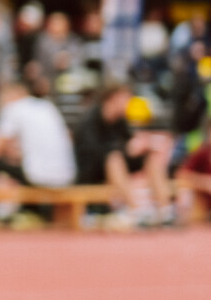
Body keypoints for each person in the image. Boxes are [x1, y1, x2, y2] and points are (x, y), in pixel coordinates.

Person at [73, 82, 174, 228]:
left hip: (116, 166)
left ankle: (166, 211)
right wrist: (124, 149)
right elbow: (93, 157)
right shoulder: (89, 122)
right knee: (114, 159)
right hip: (93, 173)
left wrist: (140, 147)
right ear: (112, 98)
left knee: (151, 157)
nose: (128, 102)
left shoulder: (120, 120)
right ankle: (136, 210)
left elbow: (128, 145)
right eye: (125, 97)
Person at [0, 80, 76, 225]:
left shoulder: (15, 108)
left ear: (13, 93)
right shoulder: (47, 106)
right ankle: (30, 211)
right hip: (66, 176)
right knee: (24, 168)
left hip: (37, 176)